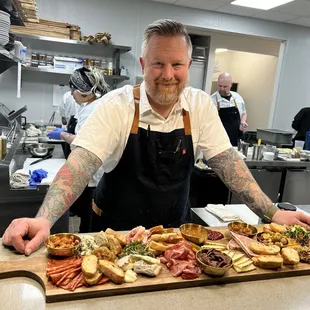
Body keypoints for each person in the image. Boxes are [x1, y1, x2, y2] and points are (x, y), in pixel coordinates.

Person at [3, 19, 310, 255]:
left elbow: (229, 163)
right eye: (158, 63)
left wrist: (271, 211)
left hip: (174, 236)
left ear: (188, 66)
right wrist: (44, 219)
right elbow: (79, 166)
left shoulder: (200, 106)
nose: (168, 74)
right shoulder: (116, 106)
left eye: (177, 64)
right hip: (114, 236)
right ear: (142, 65)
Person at [46, 67, 109, 232]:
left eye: (73, 89)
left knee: (89, 218)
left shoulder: (92, 110)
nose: (71, 94)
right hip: (89, 172)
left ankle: (86, 244)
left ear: (82, 90)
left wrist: (63, 135)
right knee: (85, 213)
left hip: (94, 174)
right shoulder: (90, 105)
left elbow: (82, 142)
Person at [211, 73, 248, 146]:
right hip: (219, 141)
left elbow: (244, 113)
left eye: (225, 86)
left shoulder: (237, 97)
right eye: (219, 86)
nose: (221, 89)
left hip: (236, 138)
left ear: (231, 85)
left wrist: (243, 121)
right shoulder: (212, 100)